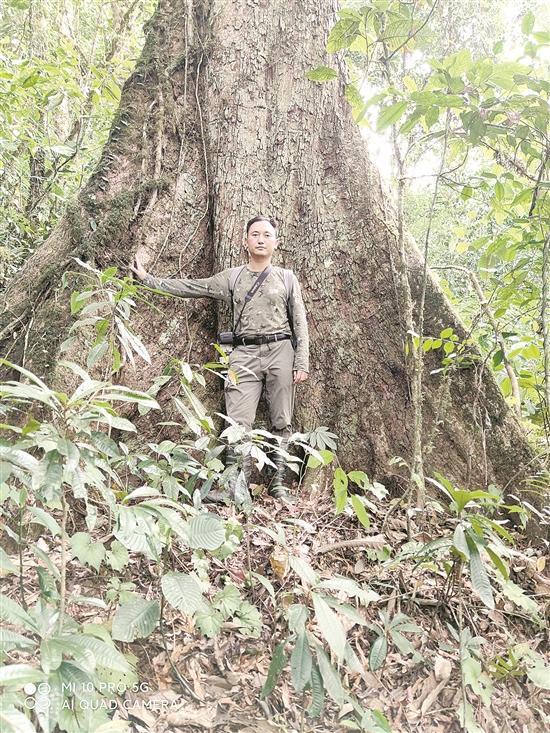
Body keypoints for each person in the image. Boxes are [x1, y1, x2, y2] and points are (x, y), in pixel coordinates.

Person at [130, 215, 309, 503]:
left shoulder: (287, 278)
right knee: (238, 421)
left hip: (281, 352)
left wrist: (301, 361)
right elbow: (193, 287)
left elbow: (299, 322)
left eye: (266, 235)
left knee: (282, 420)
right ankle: (232, 486)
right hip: (243, 354)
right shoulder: (233, 277)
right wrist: (148, 280)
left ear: (276, 242)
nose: (261, 239)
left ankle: (279, 486)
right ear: (245, 241)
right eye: (255, 234)